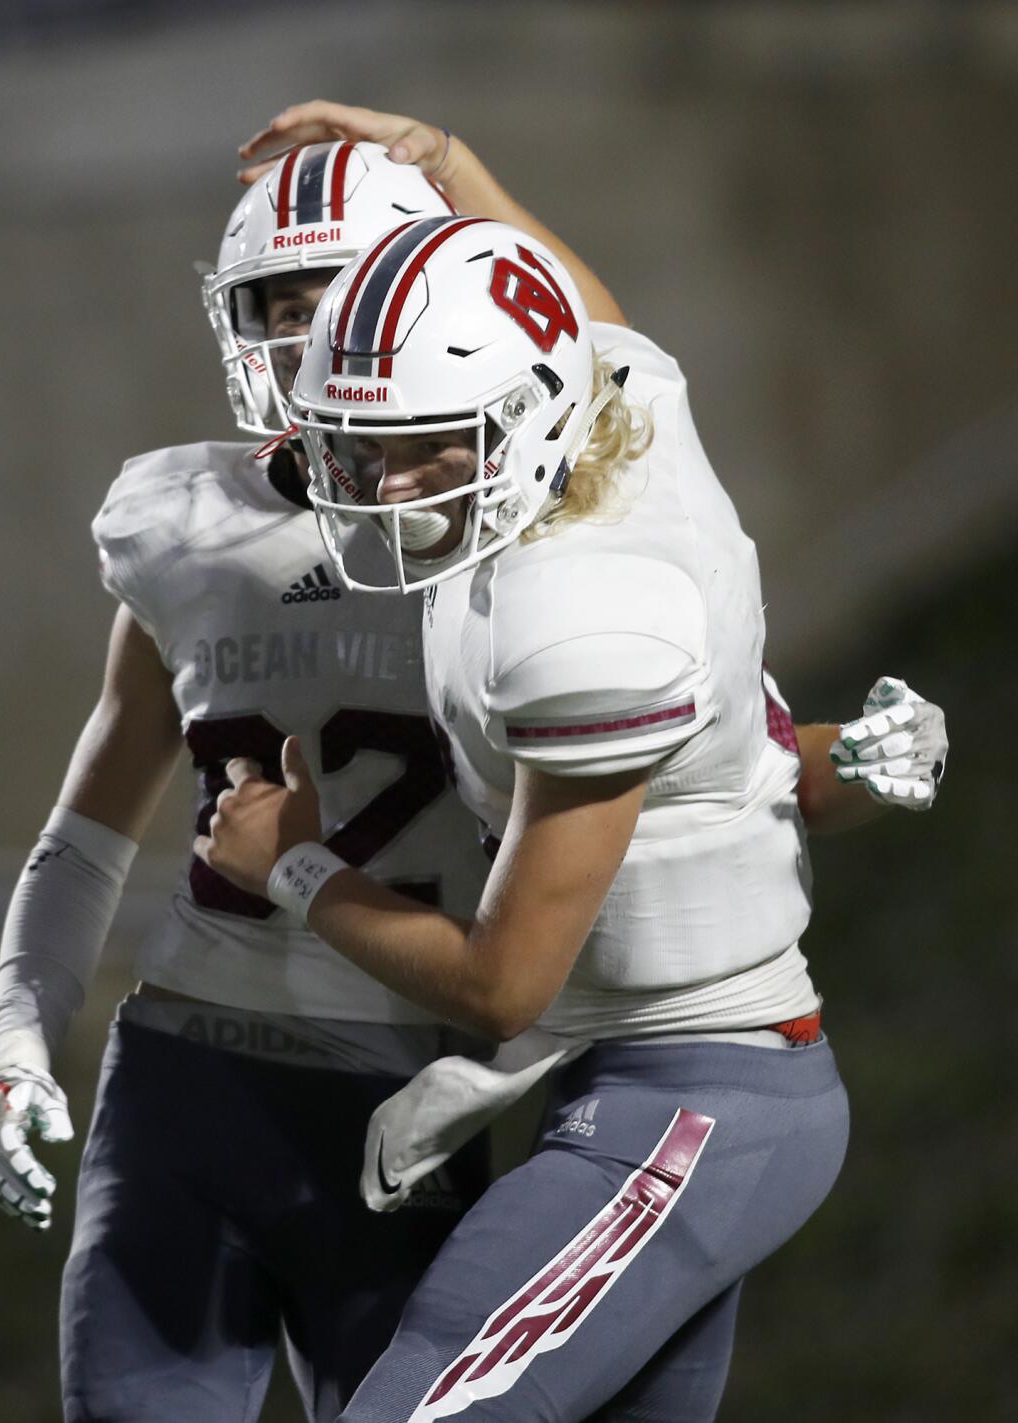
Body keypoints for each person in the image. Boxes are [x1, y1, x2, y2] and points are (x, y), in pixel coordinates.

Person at [194, 211, 948, 1421]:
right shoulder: (629, 423)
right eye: (362, 446)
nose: (386, 488)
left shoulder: (580, 616)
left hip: (695, 1099)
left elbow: (505, 983)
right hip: (657, 1076)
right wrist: (439, 162)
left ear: (532, 413)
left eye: (429, 444)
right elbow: (729, 786)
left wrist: (295, 863)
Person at [0, 121, 657, 1423]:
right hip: (184, 1070)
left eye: (336, 292)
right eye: (276, 306)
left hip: (408, 1094)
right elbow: (87, 828)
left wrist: (449, 157)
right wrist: (17, 1033)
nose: (302, 336)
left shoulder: (528, 532)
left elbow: (625, 371)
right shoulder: (184, 522)